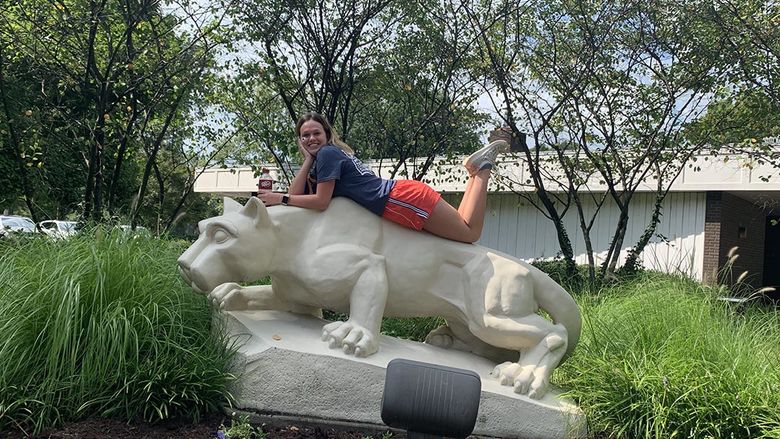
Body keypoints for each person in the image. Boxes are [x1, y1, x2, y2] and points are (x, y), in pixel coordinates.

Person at [256, 112, 508, 243]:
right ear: (300, 140)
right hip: (403, 195)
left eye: (315, 133)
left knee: (469, 233)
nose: (311, 139)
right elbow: (297, 194)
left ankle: (482, 170)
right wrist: (309, 157)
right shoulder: (326, 155)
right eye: (305, 136)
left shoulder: (329, 154)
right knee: (465, 224)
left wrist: (280, 198)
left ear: (326, 133)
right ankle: (476, 172)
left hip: (399, 199)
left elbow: (320, 201)